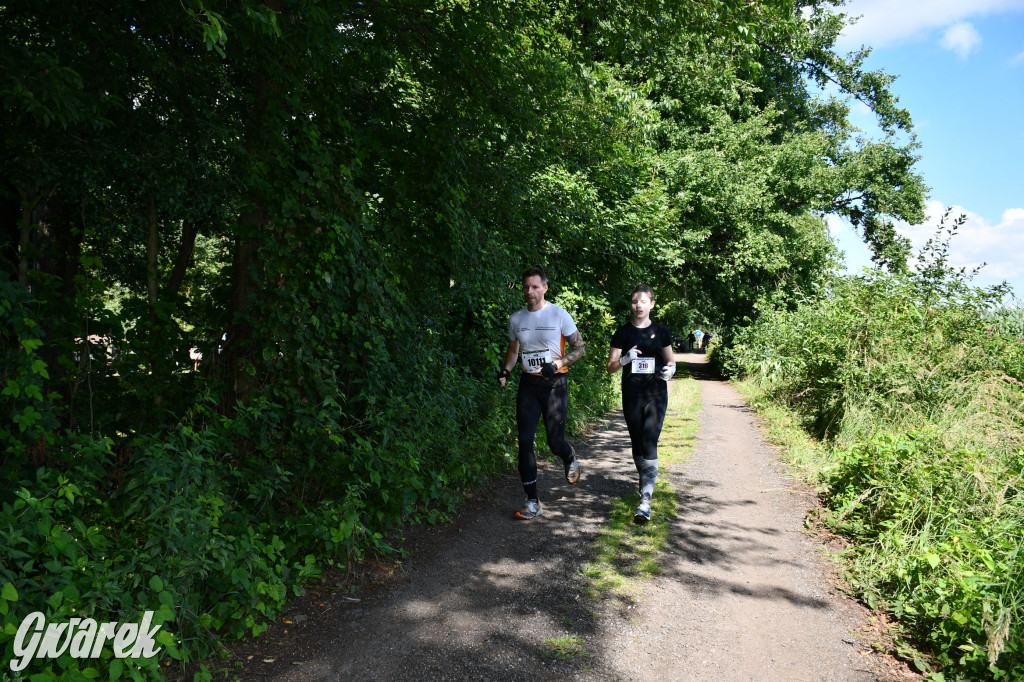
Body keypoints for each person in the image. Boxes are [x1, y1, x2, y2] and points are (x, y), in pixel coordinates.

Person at [497, 268, 586, 520]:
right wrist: (506, 370)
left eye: (535, 287)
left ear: (545, 288)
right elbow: (514, 352)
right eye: (526, 287)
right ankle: (532, 501)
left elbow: (580, 348)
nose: (529, 292)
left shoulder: (559, 314)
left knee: (554, 442)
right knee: (524, 441)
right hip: (528, 386)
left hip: (555, 385)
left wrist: (557, 364)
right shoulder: (516, 320)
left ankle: (569, 456)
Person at [606, 285, 676, 524]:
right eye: (635, 301)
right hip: (632, 395)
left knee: (649, 439)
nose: (638, 305)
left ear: (652, 304)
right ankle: (645, 478)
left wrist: (671, 370)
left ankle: (645, 501)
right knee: (637, 443)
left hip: (656, 393)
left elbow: (669, 359)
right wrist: (625, 359)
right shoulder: (623, 333)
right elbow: (611, 366)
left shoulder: (661, 331)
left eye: (643, 301)